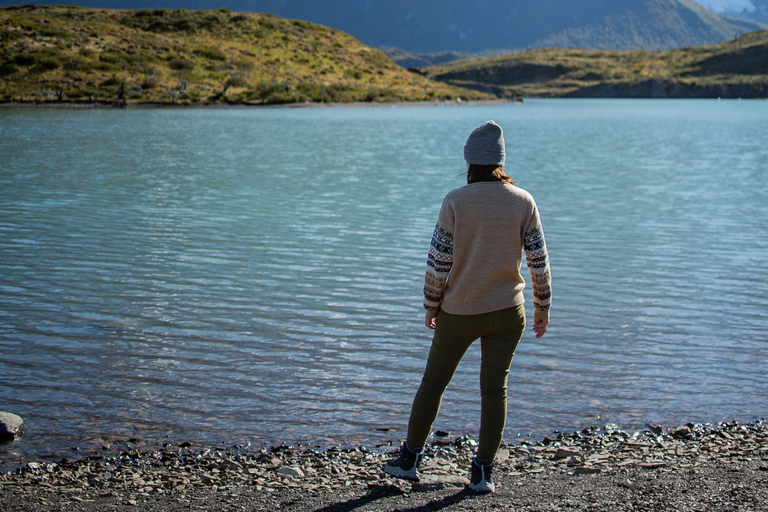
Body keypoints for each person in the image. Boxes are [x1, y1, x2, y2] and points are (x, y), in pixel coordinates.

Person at [383, 120, 552, 494]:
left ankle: (410, 460)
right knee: (495, 390)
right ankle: (482, 473)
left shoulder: (456, 200)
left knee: (434, 382)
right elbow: (538, 260)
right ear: (501, 160)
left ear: (469, 161)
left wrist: (430, 304)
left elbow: (438, 262)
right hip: (509, 312)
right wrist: (543, 306)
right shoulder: (524, 201)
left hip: (458, 312)